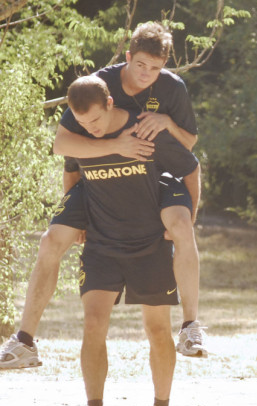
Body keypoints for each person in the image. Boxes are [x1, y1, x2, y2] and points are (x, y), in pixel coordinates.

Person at [0, 22, 206, 370]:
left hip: (153, 172)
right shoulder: (97, 86)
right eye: (140, 65)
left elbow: (188, 149)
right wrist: (78, 208)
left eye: (155, 68)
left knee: (182, 225)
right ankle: (24, 341)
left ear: (164, 66)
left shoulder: (171, 87)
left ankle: (191, 326)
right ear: (128, 56)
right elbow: (63, 144)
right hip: (95, 178)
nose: (146, 74)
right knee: (51, 240)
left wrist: (166, 122)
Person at [65, 75, 199, 406]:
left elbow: (190, 167)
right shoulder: (79, 138)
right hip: (100, 245)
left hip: (149, 245)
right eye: (82, 122)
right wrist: (74, 213)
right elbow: (71, 172)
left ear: (110, 104)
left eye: (95, 119)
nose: (90, 127)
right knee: (94, 323)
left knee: (157, 329)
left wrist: (189, 218)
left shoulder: (145, 131)